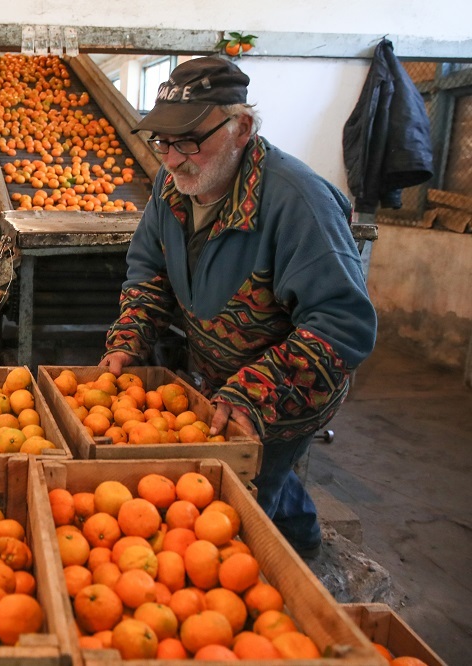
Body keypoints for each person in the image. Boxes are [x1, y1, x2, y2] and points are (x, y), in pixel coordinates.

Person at [100, 56, 377, 558]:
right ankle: (303, 536)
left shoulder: (296, 202)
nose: (170, 158)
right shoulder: (172, 188)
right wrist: (128, 340)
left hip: (283, 395)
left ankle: (290, 568)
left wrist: (254, 391)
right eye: (162, 141)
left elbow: (343, 324)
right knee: (267, 478)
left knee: (242, 505)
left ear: (241, 127)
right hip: (216, 379)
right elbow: (148, 271)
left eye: (188, 140)